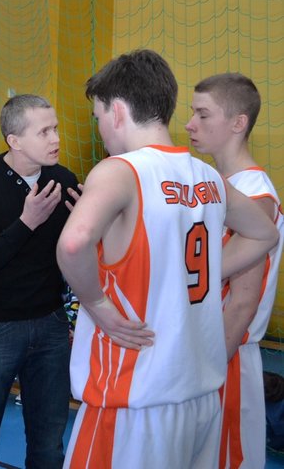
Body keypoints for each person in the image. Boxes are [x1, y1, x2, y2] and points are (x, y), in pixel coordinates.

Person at [56, 49, 279, 469]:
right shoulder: (208, 176)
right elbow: (265, 233)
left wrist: (97, 304)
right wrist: (199, 272)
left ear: (117, 111)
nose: (100, 127)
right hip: (198, 396)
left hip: (134, 395)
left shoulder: (120, 170)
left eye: (98, 115)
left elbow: (72, 244)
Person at [0, 94, 79, 469]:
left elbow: (73, 252)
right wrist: (27, 223)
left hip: (50, 325)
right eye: (44, 132)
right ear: (14, 140)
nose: (55, 138)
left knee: (49, 444)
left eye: (55, 128)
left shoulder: (63, 180)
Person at [185, 72, 284, 468]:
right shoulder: (220, 185)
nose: (190, 124)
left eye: (203, 114)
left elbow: (242, 303)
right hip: (208, 350)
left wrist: (205, 376)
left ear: (238, 123)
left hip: (227, 356)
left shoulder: (255, 195)